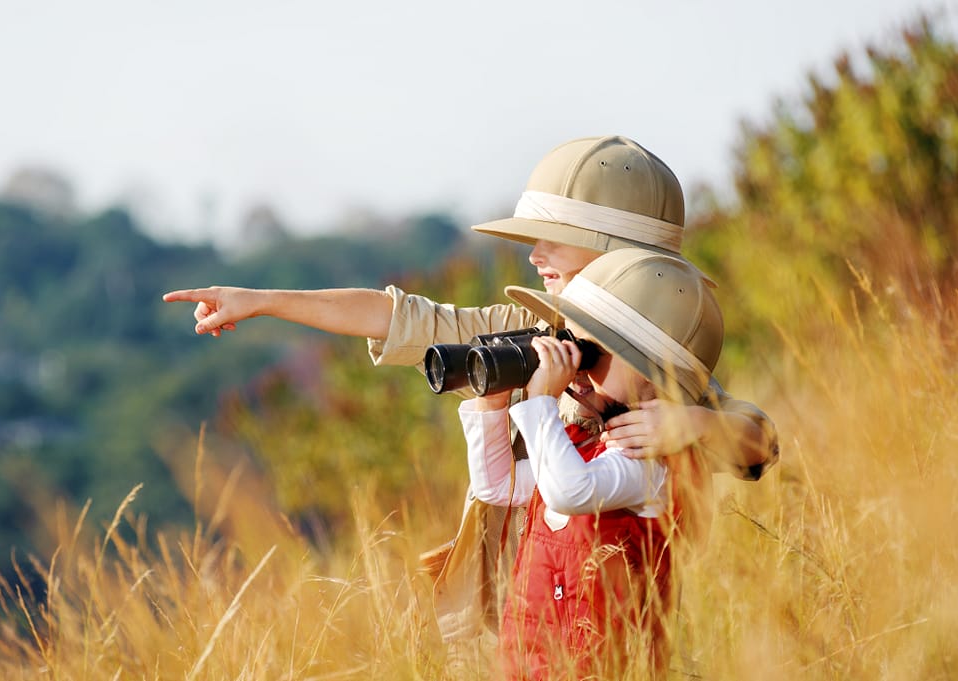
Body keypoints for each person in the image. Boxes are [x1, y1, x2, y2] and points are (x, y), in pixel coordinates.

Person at [162, 135, 778, 666]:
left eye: (553, 241)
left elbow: (758, 440)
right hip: (503, 614)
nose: (534, 256)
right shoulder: (529, 327)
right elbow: (400, 317)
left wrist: (692, 423)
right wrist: (262, 298)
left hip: (604, 629)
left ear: (617, 251)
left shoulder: (654, 363)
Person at [461, 246, 722, 679]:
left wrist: (542, 399)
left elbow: (570, 491)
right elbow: (498, 486)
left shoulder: (648, 461)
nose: (578, 368)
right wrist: (492, 405)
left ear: (653, 374)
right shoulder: (583, 444)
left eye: (592, 353)